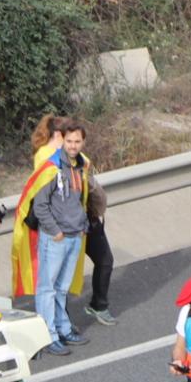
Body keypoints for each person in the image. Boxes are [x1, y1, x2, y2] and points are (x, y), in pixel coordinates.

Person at [32, 127, 92, 355]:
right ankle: (47, 336)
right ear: (62, 141)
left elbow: (81, 198)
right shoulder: (51, 168)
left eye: (77, 141)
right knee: (47, 288)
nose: (73, 145)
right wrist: (54, 231)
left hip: (74, 234)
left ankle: (63, 329)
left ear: (83, 142)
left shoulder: (81, 165)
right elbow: (40, 205)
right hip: (56, 237)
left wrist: (83, 225)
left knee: (62, 288)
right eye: (69, 141)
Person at [79, 133, 116, 326]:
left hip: (90, 219)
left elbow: (95, 192)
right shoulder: (54, 165)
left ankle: (99, 305)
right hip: (70, 226)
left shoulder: (81, 162)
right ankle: (59, 321)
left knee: (105, 261)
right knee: (63, 276)